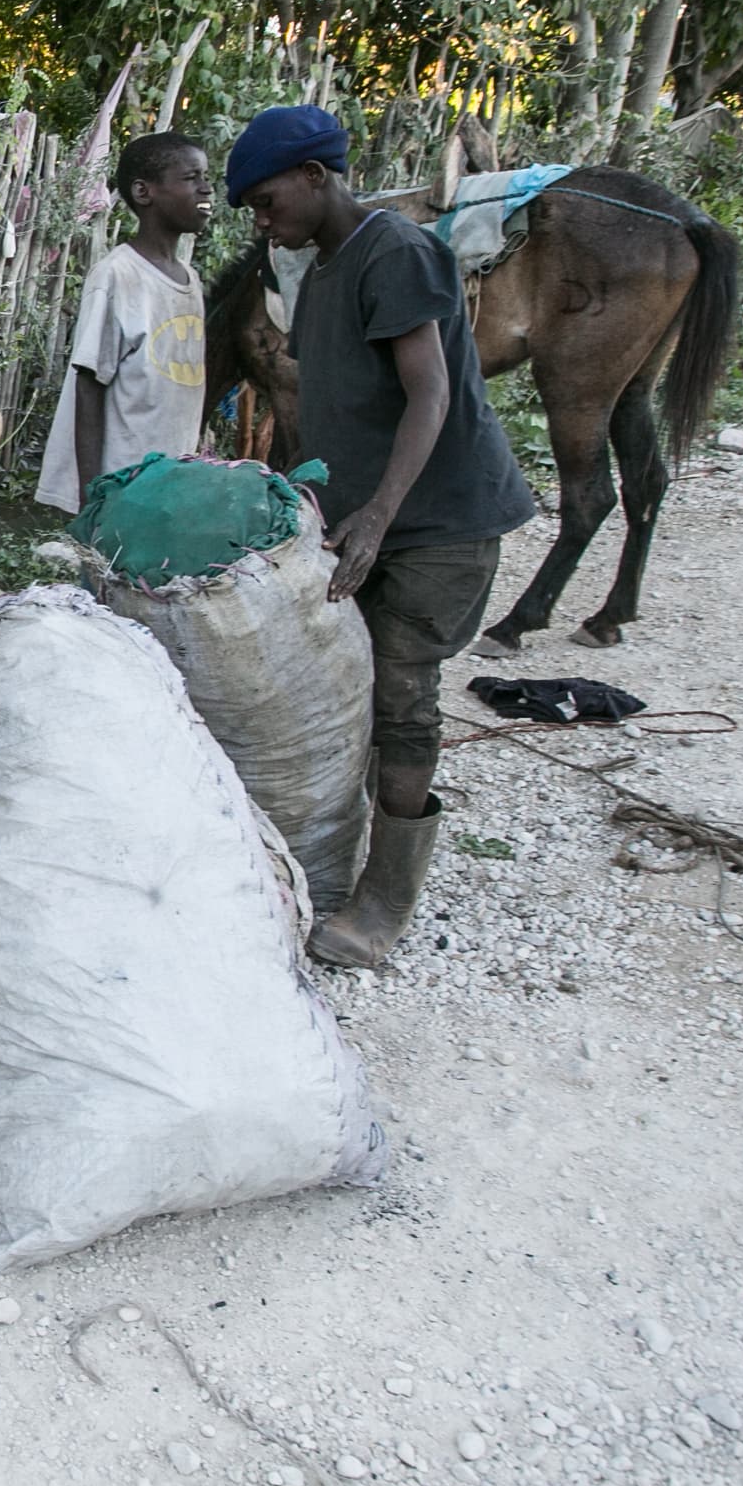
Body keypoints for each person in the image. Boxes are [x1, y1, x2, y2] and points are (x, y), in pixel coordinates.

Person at [226, 103, 536, 970]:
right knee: (348, 684)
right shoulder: (323, 275)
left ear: (315, 176)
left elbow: (430, 394)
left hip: (438, 523)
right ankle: (341, 854)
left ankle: (385, 904)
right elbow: (339, 406)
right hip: (375, 519)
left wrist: (377, 514)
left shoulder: (393, 251)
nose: (263, 222)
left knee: (402, 696)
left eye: (267, 201)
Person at [33, 131, 213, 517]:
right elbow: (89, 384)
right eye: (191, 177)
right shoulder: (118, 275)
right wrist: (93, 498)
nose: (206, 188)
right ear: (144, 192)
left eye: (206, 177)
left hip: (169, 484)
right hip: (122, 485)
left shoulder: (190, 280)